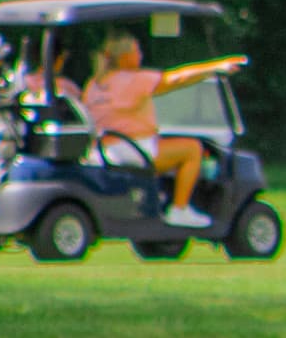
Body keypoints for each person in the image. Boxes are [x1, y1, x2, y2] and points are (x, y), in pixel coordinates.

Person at [80, 33, 247, 229]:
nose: (140, 56)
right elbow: (177, 78)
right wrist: (215, 68)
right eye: (137, 51)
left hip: (102, 150)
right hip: (134, 150)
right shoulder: (134, 80)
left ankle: (162, 200)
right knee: (192, 148)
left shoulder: (94, 84)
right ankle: (179, 209)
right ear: (125, 57)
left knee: (169, 147)